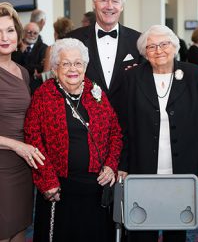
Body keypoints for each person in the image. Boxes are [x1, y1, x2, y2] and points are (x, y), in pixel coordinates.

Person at [118, 25, 198, 242]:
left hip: (182, 169)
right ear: (144, 52)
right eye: (151, 46)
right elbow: (123, 124)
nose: (159, 50)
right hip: (142, 168)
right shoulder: (132, 78)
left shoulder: (196, 75)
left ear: (175, 46)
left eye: (164, 44)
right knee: (141, 228)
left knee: (176, 229)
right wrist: (122, 164)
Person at [24, 38, 123, 242]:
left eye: (78, 63)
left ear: (85, 66)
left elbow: (115, 133)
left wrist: (111, 165)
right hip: (59, 189)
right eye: (65, 63)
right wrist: (48, 180)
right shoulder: (44, 95)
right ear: (55, 67)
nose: (72, 69)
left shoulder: (95, 92)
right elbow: (33, 139)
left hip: (95, 188)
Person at [67, 0, 142, 131]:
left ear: (122, 6)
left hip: (127, 126)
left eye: (115, 1)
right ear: (94, 3)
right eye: (103, 0)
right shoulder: (73, 40)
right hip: (84, 125)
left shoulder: (138, 41)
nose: (109, 6)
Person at [0, 2, 45, 242]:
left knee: (20, 229)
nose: (4, 37)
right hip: (2, 166)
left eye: (9, 30)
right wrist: (17, 145)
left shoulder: (22, 71)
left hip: (24, 167)